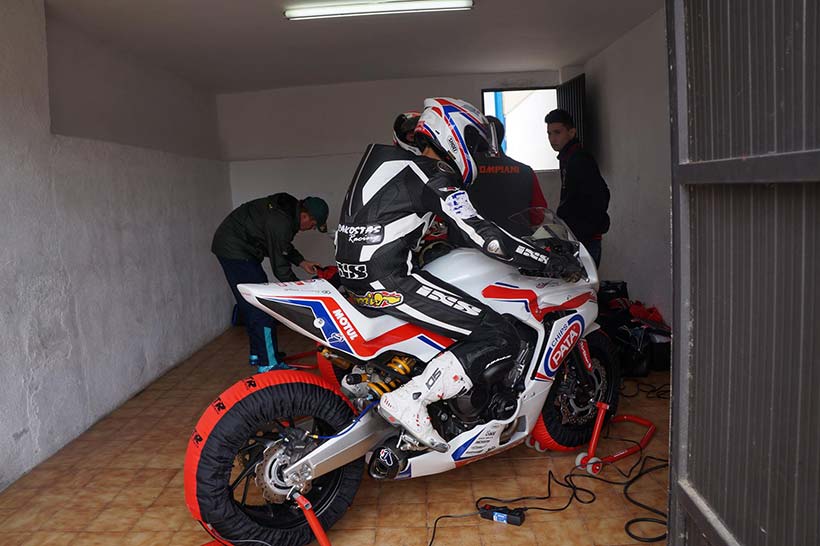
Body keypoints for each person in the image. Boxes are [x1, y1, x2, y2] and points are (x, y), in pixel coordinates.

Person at [336, 97, 582, 451]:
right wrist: (548, 261)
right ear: (452, 134)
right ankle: (412, 399)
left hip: (354, 279)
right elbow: (488, 238)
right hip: (390, 281)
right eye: (474, 143)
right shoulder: (434, 176)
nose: (477, 154)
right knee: (498, 335)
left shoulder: (389, 161)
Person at [212, 193, 328, 372]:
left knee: (251, 304)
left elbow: (282, 246)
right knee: (261, 305)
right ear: (305, 216)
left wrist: (302, 262)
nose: (311, 228)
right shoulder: (281, 221)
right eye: (313, 224)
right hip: (235, 250)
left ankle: (258, 354)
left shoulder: (287, 212)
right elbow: (280, 269)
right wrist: (302, 293)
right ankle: (269, 364)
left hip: (235, 247)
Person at [544, 109, 610, 267]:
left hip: (584, 241)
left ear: (572, 132)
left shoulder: (580, 159)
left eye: (557, 132)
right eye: (549, 133)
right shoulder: (567, 158)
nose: (552, 139)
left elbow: (601, 196)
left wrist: (583, 231)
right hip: (574, 238)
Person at [468, 115, 548, 236]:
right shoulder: (526, 171)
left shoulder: (466, 173)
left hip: (477, 243)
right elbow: (538, 216)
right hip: (518, 243)